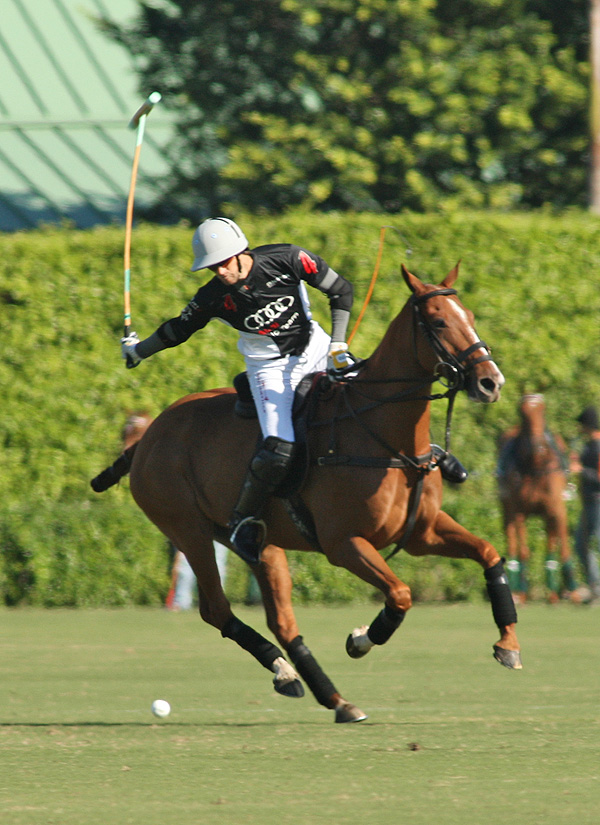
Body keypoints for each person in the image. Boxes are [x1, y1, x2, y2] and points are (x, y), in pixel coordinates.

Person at [120, 217, 354, 565]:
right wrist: (139, 351)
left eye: (224, 262)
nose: (220, 271)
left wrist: (338, 343)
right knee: (278, 447)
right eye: (212, 267)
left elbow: (340, 289)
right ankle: (244, 521)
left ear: (241, 251)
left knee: (373, 396)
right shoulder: (212, 297)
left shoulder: (288, 258)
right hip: (268, 369)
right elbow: (178, 330)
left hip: (317, 349)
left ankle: (427, 459)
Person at [569, 405, 600, 603]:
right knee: (581, 544)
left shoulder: (597, 447)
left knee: (596, 542)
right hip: (588, 501)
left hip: (598, 501)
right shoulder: (588, 446)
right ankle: (595, 584)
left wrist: (581, 470)